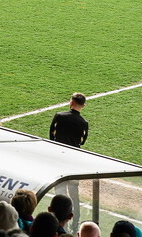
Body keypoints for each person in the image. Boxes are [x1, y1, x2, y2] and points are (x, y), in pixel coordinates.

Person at [50, 93, 88, 228]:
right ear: (83, 106)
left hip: (58, 158)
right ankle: (76, 220)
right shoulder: (84, 123)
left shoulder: (59, 116)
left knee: (59, 190)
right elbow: (82, 142)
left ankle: (60, 220)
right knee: (74, 192)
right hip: (73, 161)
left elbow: (51, 135)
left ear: (71, 102)